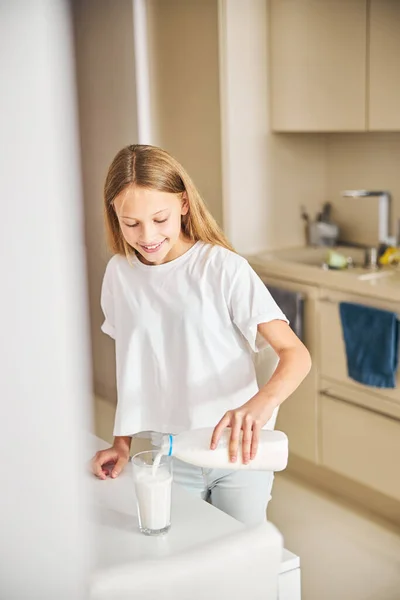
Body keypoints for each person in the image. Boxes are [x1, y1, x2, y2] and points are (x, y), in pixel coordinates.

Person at [91, 144, 311, 526]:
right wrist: (122, 443)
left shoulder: (223, 268)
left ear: (183, 204)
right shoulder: (118, 274)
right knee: (186, 568)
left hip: (239, 454)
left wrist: (260, 406)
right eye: (132, 223)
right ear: (115, 215)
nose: (147, 236)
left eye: (160, 218)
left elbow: (295, 354)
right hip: (172, 454)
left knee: (238, 567)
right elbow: (134, 363)